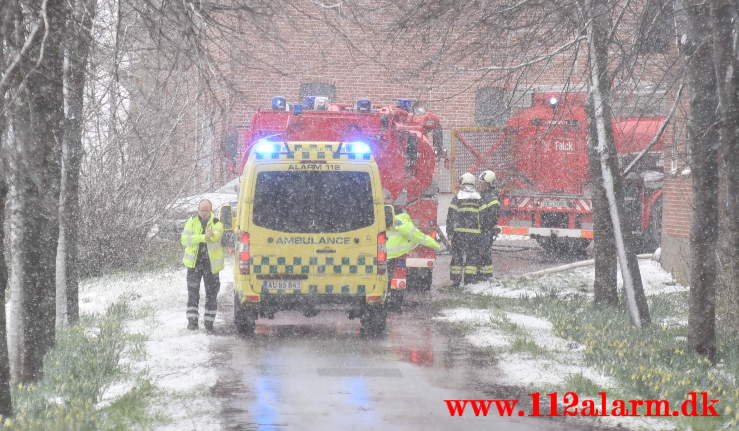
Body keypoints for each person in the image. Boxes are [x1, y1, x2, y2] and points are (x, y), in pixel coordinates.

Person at [385, 192, 441, 306]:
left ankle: (383, 300)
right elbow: (418, 236)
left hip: (379, 255)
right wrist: (436, 245)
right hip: (396, 255)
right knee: (397, 277)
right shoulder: (401, 220)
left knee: (381, 278)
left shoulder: (377, 217)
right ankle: (394, 302)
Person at [180, 199, 225, 331]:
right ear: (198, 210)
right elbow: (185, 240)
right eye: (201, 210)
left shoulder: (217, 223)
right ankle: (192, 322)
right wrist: (203, 237)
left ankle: (209, 323)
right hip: (194, 264)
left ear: (211, 210)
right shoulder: (191, 221)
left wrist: (199, 237)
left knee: (211, 294)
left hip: (211, 266)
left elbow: (216, 237)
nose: (203, 213)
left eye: (206, 210)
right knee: (192, 294)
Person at [446, 173, 485, 286]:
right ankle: (469, 280)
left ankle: (456, 280)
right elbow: (483, 216)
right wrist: (483, 231)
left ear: (463, 183)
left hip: (459, 234)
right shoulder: (479, 198)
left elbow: (451, 215)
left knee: (457, 257)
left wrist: (449, 231)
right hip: (474, 234)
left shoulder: (457, 197)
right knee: (472, 257)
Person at [478, 170, 501, 281]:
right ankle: (481, 274)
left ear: (489, 184)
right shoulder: (483, 195)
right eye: (480, 183)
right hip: (482, 230)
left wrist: (483, 226)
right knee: (480, 252)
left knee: (484, 252)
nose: (480, 185)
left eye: (483, 183)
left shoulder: (491, 198)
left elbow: (492, 217)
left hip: (486, 230)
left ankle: (486, 276)